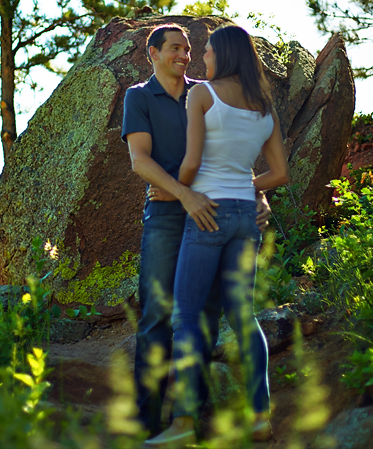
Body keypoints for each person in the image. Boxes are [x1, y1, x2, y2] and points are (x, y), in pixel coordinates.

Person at [122, 24, 272, 437]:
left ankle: (190, 416)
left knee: (202, 316)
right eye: (174, 48)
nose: (184, 55)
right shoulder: (138, 97)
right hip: (169, 215)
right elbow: (140, 160)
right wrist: (184, 194)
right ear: (151, 53)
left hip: (211, 214)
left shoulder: (204, 92)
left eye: (188, 49)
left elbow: (230, 155)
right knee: (157, 314)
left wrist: (256, 195)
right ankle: (146, 421)